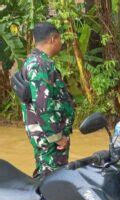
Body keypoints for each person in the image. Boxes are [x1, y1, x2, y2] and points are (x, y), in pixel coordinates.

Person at [21, 22, 75, 178]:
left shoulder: (32, 61)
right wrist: (57, 137)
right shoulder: (41, 65)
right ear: (53, 39)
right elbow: (42, 105)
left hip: (44, 134)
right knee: (52, 180)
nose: (61, 43)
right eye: (60, 39)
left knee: (45, 173)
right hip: (50, 137)